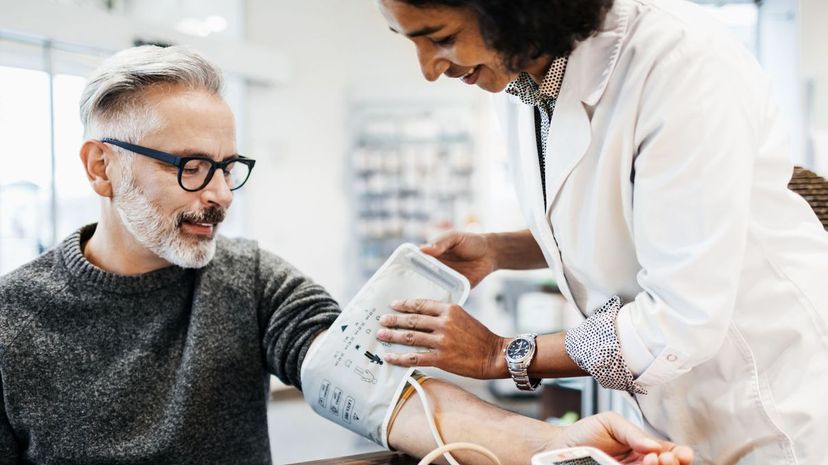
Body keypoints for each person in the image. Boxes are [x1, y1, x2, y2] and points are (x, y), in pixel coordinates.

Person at [0, 45, 693, 465]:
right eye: (189, 167)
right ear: (101, 168)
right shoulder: (13, 321)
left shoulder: (248, 280)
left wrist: (556, 447)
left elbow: (383, 394)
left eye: (226, 166)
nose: (218, 195)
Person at [374, 0, 828, 464]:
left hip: (776, 407)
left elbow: (681, 318)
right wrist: (499, 251)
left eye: (443, 38)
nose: (429, 69)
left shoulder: (679, 64)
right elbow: (619, 219)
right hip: (674, 409)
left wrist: (502, 354)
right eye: (408, 39)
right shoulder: (522, 83)